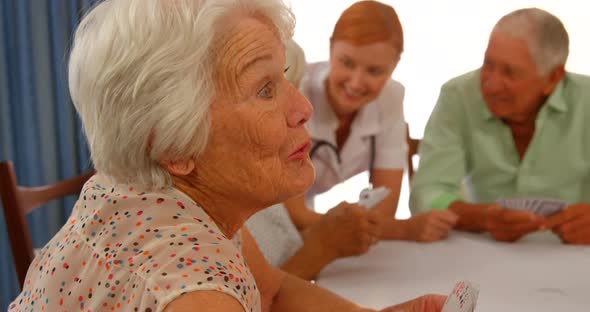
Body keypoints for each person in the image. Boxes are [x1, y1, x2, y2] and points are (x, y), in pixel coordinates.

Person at [9, 0, 446, 311]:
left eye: (285, 78)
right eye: (265, 89)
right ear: (175, 145)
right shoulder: (195, 295)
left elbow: (271, 292)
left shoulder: (165, 196)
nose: (304, 109)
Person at [274, 1, 458, 279]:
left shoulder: (391, 97)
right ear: (330, 47)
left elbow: (384, 207)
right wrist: (404, 229)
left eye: (374, 71)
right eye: (346, 62)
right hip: (271, 223)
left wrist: (360, 226)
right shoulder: (296, 91)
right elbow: (296, 215)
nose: (357, 82)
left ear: (395, 65)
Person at [410, 7, 590, 245]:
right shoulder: (457, 96)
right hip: (484, 250)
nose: (492, 85)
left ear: (553, 78)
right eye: (488, 64)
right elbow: (427, 192)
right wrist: (481, 218)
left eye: (510, 73)